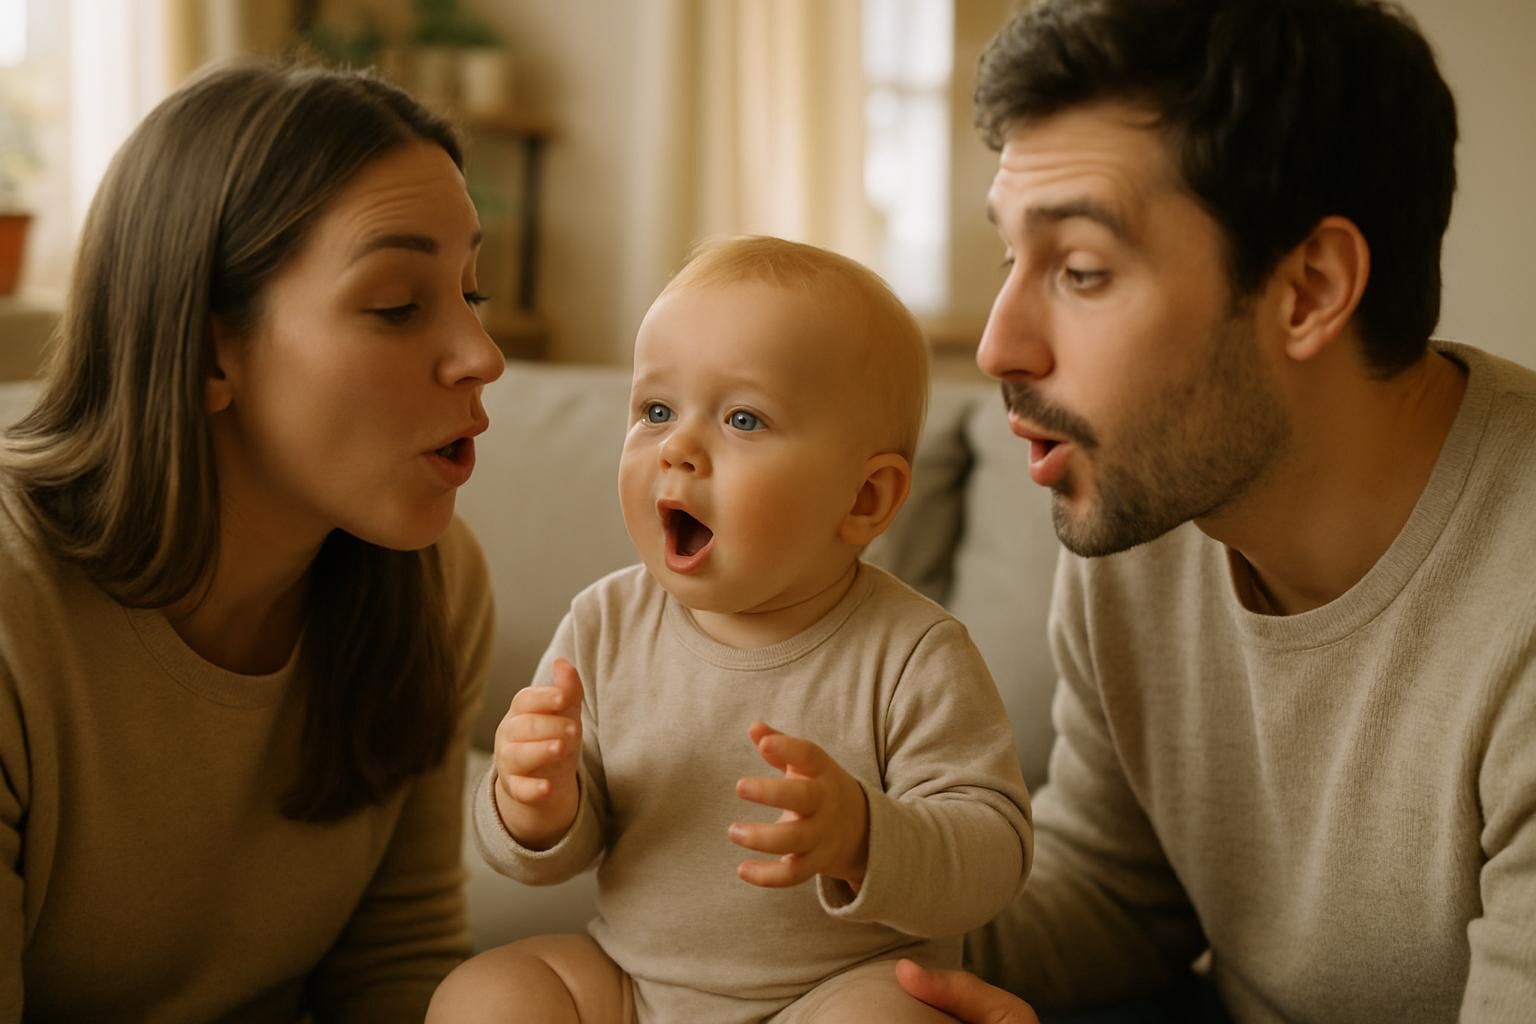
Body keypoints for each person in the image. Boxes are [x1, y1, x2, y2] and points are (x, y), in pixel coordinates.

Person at [893, 0, 1536, 1022]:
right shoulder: (1146, 506)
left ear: (1309, 290)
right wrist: (830, 907)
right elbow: (1113, 891)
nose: (997, 345)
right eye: (1014, 259)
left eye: (1081, 270)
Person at [0, 62, 505, 1020]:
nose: (484, 356)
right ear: (205, 349)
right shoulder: (14, 610)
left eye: (470, 295)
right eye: (398, 304)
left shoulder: (436, 582)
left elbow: (399, 961)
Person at [427, 236, 1033, 1023]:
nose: (678, 447)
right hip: (634, 987)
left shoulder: (913, 654)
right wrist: (533, 803)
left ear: (865, 500)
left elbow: (994, 856)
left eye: (743, 418)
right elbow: (551, 853)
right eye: (655, 411)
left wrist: (864, 837)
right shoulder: (604, 624)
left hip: (832, 992)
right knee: (482, 997)